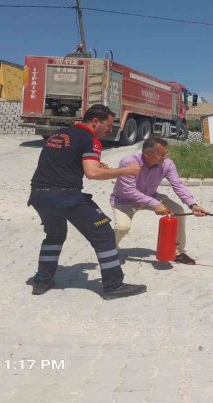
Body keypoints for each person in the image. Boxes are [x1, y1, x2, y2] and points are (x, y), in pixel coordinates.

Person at [28, 104, 146, 300]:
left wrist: (86, 163)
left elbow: (65, 161)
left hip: (39, 195)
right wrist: (125, 171)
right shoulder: (90, 140)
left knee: (55, 236)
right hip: (66, 196)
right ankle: (114, 285)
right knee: (104, 235)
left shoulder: (59, 134)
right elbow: (93, 173)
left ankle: (42, 281)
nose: (110, 130)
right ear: (95, 122)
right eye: (108, 125)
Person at [111, 137, 209, 265]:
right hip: (124, 200)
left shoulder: (167, 164)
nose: (164, 157)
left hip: (151, 195)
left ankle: (178, 252)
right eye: (160, 154)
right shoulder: (129, 163)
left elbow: (177, 184)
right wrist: (155, 204)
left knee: (178, 211)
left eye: (165, 153)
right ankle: (109, 252)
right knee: (122, 227)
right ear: (146, 153)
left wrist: (193, 204)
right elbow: (129, 191)